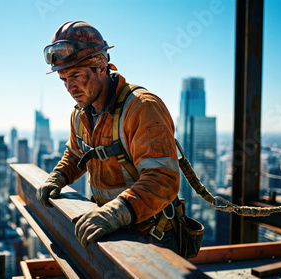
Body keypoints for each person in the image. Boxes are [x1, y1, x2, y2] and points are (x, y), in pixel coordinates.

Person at [37, 21, 180, 252]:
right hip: (111, 231)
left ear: (102, 67)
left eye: (76, 75)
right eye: (64, 79)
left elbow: (163, 179)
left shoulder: (142, 108)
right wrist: (58, 176)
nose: (69, 88)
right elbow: (75, 155)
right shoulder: (81, 113)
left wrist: (115, 213)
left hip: (152, 235)